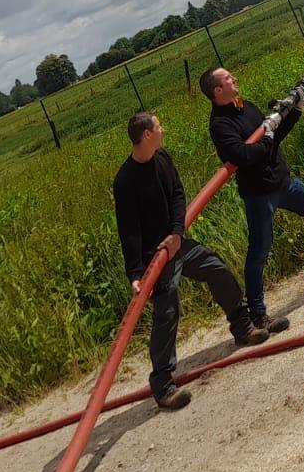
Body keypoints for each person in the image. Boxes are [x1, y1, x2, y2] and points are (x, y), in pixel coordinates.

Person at [113, 111, 269, 411]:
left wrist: (175, 234)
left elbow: (177, 193)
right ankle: (163, 385)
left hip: (177, 243)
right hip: (153, 259)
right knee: (167, 312)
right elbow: (128, 230)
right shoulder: (125, 181)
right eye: (158, 126)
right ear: (146, 135)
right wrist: (135, 272)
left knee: (217, 269)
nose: (163, 129)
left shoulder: (162, 157)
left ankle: (242, 326)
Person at [201, 67, 304, 330]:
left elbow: (273, 139)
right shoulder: (220, 125)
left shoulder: (246, 106)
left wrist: (295, 112)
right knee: (259, 251)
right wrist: (266, 136)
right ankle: (258, 314)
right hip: (259, 194)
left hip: (283, 182)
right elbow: (241, 156)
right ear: (217, 91)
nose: (234, 78)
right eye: (227, 78)